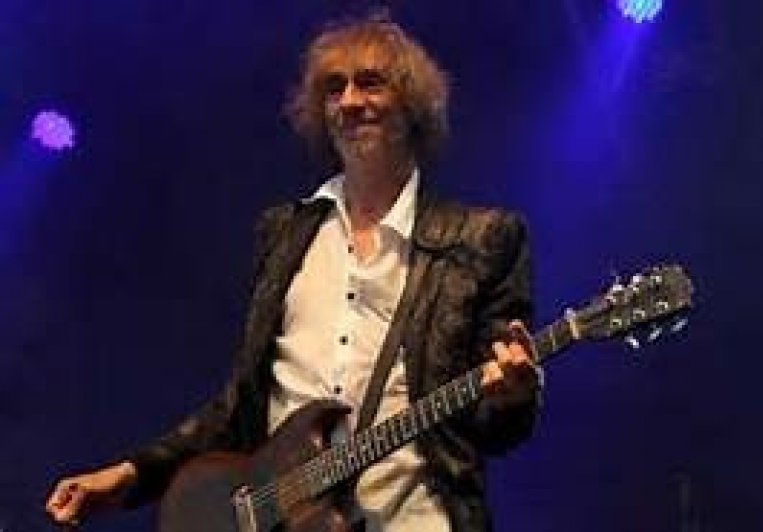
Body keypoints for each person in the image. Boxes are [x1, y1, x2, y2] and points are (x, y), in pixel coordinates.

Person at [46, 15, 543, 532]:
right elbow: (241, 406)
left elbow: (498, 427)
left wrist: (513, 396)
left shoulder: (482, 239)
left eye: (371, 83)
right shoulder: (284, 233)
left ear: (412, 103)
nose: (350, 102)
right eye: (334, 89)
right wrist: (131, 476)